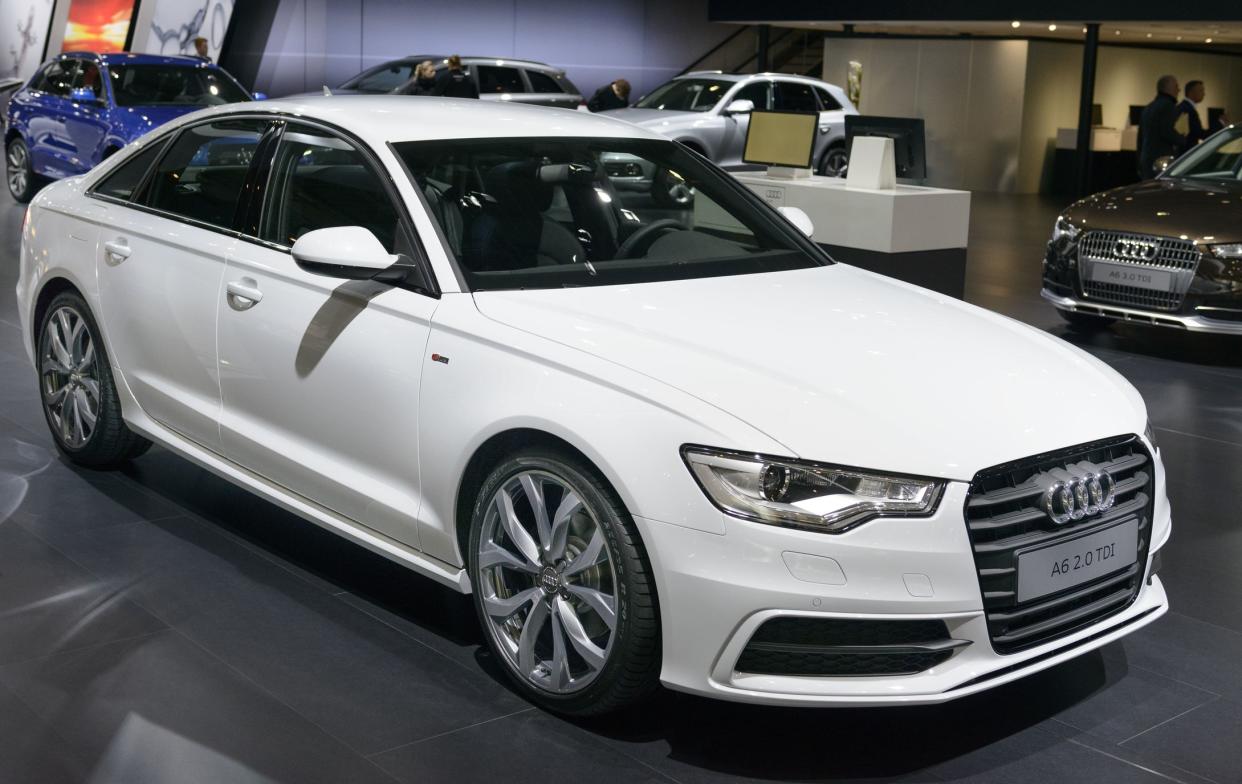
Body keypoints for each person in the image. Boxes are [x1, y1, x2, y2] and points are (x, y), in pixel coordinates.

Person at [1138, 74, 1184, 179]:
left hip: (1147, 159)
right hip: (1162, 160)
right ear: (1169, 88)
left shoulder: (1149, 107)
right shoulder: (1168, 106)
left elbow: (1140, 137)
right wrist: (1182, 139)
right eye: (1176, 86)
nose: (1179, 90)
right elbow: (1167, 132)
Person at [1178, 80, 1230, 151]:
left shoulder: (1184, 107)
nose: (1204, 94)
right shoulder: (1188, 110)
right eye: (1201, 90)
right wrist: (1221, 122)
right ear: (1191, 92)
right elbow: (1199, 134)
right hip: (1186, 151)